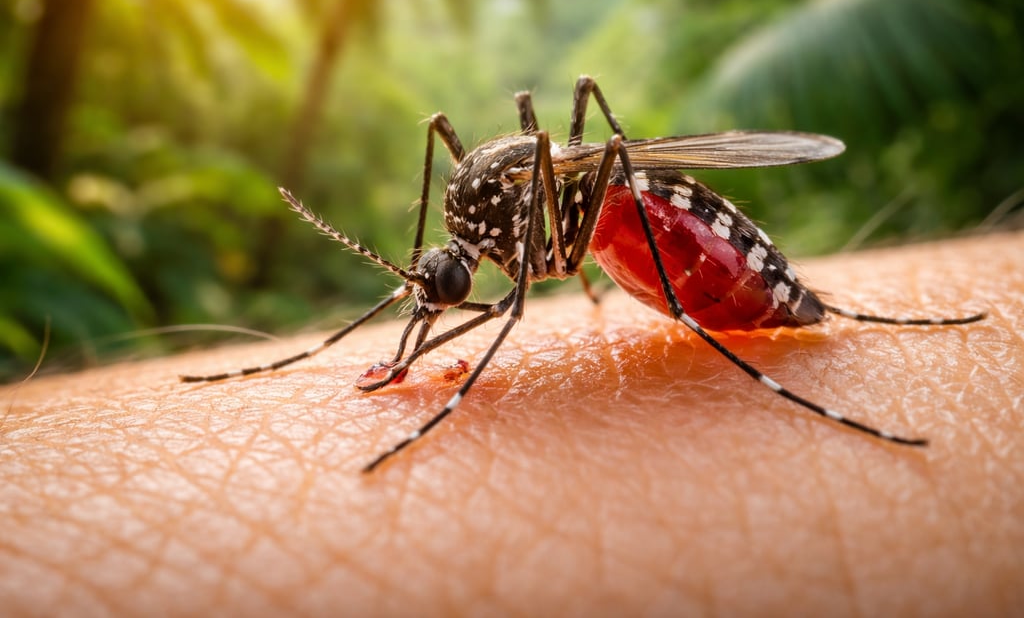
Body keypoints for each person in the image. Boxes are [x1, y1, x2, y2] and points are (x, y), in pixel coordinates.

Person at [0, 232, 1019, 615]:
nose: (441, 290)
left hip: (659, 225)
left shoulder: (520, 232)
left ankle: (773, 374)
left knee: (570, 189)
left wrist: (445, 401)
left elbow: (516, 294)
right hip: (614, 225)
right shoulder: (471, 233)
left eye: (434, 281)